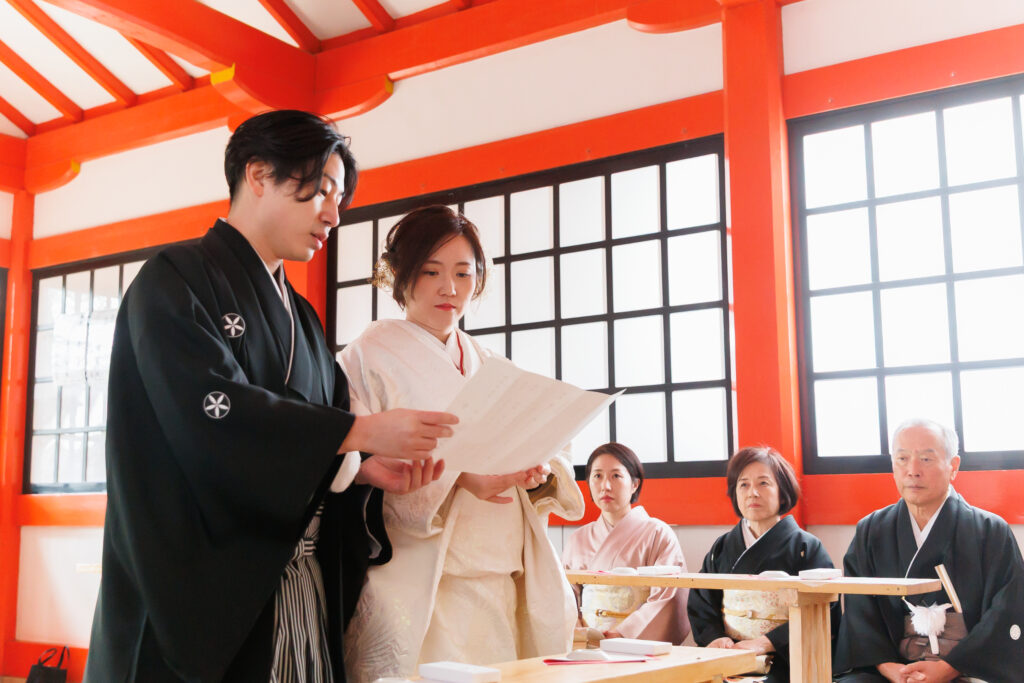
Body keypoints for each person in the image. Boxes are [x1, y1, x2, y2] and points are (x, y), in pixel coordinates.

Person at [84, 110, 457, 683]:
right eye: (322, 190)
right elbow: (208, 413)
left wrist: (358, 466)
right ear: (258, 174)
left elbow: (327, 421)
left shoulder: (302, 317)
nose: (334, 213)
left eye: (339, 197)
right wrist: (357, 434)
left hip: (296, 589)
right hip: (199, 595)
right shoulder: (174, 280)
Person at [340, 205, 585, 682]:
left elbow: (545, 440)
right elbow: (354, 461)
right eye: (430, 271)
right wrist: (459, 478)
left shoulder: (491, 362)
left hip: (498, 572)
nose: (449, 288)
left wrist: (535, 470)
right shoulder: (364, 358)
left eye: (463, 273)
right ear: (400, 274)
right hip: (419, 580)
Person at [834, 418, 1024, 683]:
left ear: (953, 466)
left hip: (967, 668)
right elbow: (859, 611)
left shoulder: (990, 531)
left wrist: (948, 668)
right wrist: (892, 669)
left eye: (926, 459)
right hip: (891, 671)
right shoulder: (871, 530)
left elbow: (1006, 611)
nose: (913, 470)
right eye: (902, 458)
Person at [687, 446, 838, 682]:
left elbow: (825, 609)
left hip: (784, 659)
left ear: (783, 492)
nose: (752, 493)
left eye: (763, 483)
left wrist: (765, 642)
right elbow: (702, 601)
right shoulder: (722, 547)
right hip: (728, 654)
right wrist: (715, 637)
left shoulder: (806, 547)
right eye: (744, 485)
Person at [562, 442, 690, 644]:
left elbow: (668, 595)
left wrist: (624, 632)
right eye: (597, 476)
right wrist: (579, 630)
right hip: (587, 642)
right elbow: (565, 595)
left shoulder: (657, 533)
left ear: (634, 484)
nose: (605, 486)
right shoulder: (578, 538)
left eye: (616, 476)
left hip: (635, 644)